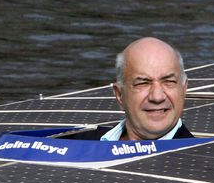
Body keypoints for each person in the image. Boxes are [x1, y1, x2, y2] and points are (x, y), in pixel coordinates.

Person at [61, 36, 193, 140]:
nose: (157, 96)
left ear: (184, 88)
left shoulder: (199, 165)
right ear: (119, 95)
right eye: (143, 83)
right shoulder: (77, 144)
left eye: (169, 82)